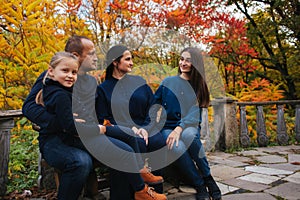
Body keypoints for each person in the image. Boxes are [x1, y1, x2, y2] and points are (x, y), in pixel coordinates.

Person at [23, 36, 167, 200]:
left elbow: (98, 113)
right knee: (82, 161)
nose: (96, 58)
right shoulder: (54, 76)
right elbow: (29, 107)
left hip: (86, 135)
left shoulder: (92, 82)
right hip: (57, 138)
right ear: (76, 56)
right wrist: (65, 123)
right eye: (91, 54)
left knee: (123, 145)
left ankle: (129, 193)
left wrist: (108, 126)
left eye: (73, 72)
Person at [153, 47, 222, 200]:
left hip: (189, 125)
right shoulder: (168, 81)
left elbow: (194, 113)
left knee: (191, 136)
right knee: (176, 147)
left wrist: (180, 128)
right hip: (168, 126)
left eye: (188, 60)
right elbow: (153, 102)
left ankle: (208, 178)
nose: (183, 63)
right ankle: (199, 184)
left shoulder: (199, 86)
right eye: (182, 59)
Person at [95, 45, 166, 192]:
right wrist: (131, 129)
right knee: (137, 144)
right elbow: (104, 118)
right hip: (122, 131)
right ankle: (138, 191)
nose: (132, 63)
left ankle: (157, 191)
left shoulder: (139, 82)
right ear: (115, 62)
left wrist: (146, 128)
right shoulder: (103, 89)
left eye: (131, 59)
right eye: (127, 59)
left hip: (146, 126)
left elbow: (152, 107)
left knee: (158, 141)